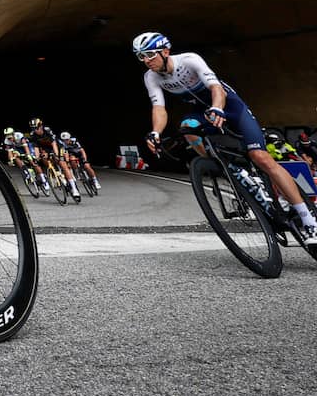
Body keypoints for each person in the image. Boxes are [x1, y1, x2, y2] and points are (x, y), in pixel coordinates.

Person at [134, 31, 316, 245]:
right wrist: (155, 132)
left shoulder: (189, 60)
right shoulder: (151, 77)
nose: (146, 61)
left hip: (229, 106)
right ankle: (225, 167)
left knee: (260, 157)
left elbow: (216, 88)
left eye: (150, 54)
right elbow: (159, 107)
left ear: (165, 51)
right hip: (201, 112)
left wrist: (217, 108)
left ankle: (309, 220)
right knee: (187, 127)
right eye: (141, 56)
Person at [28, 118, 81, 201]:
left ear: (40, 126)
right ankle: (54, 173)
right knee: (44, 159)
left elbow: (54, 144)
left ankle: (74, 189)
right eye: (33, 128)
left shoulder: (47, 130)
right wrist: (37, 158)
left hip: (58, 147)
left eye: (36, 128)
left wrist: (56, 155)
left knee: (62, 164)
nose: (35, 130)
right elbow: (36, 148)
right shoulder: (33, 135)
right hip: (46, 149)